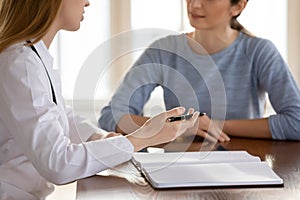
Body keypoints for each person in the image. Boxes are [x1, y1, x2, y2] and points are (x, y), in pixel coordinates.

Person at [0, 0, 199, 199]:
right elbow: (58, 164)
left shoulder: (31, 57)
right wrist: (144, 137)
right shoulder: (21, 63)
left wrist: (101, 138)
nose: (87, 2)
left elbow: (60, 116)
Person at [99, 0, 300, 142]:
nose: (194, 4)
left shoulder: (259, 51)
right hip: (178, 166)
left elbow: (296, 122)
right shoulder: (163, 51)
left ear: (238, 6)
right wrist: (179, 125)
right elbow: (111, 116)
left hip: (243, 165)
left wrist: (214, 126)